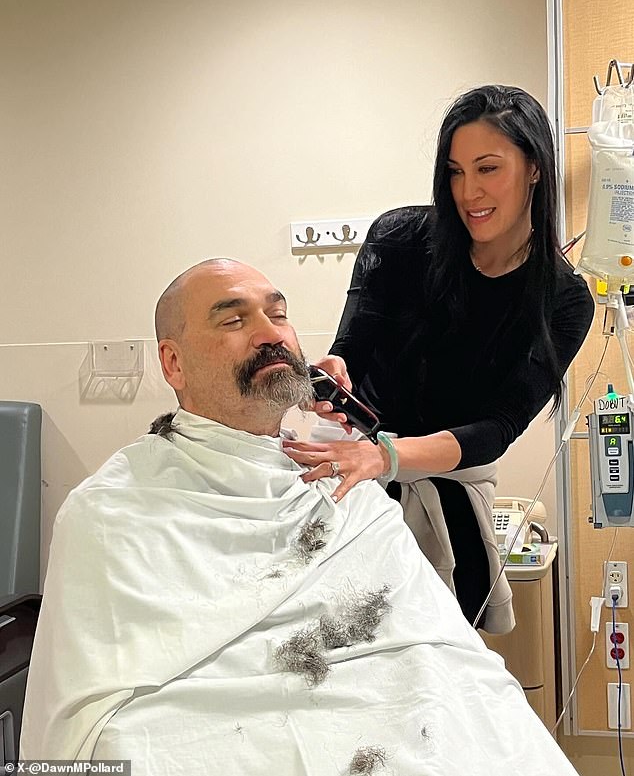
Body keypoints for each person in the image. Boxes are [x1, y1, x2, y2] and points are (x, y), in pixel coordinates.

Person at [20, 258, 581, 775]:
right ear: (174, 362)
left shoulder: (346, 489)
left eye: (279, 315)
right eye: (233, 320)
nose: (270, 333)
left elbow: (438, 649)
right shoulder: (110, 509)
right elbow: (92, 715)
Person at [282, 85, 595, 630]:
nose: (468, 191)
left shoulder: (563, 300)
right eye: (454, 171)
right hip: (354, 482)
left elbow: (496, 427)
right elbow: (351, 347)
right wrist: (336, 373)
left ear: (536, 168)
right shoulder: (399, 238)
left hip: (444, 498)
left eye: (488, 168)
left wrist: (391, 457)